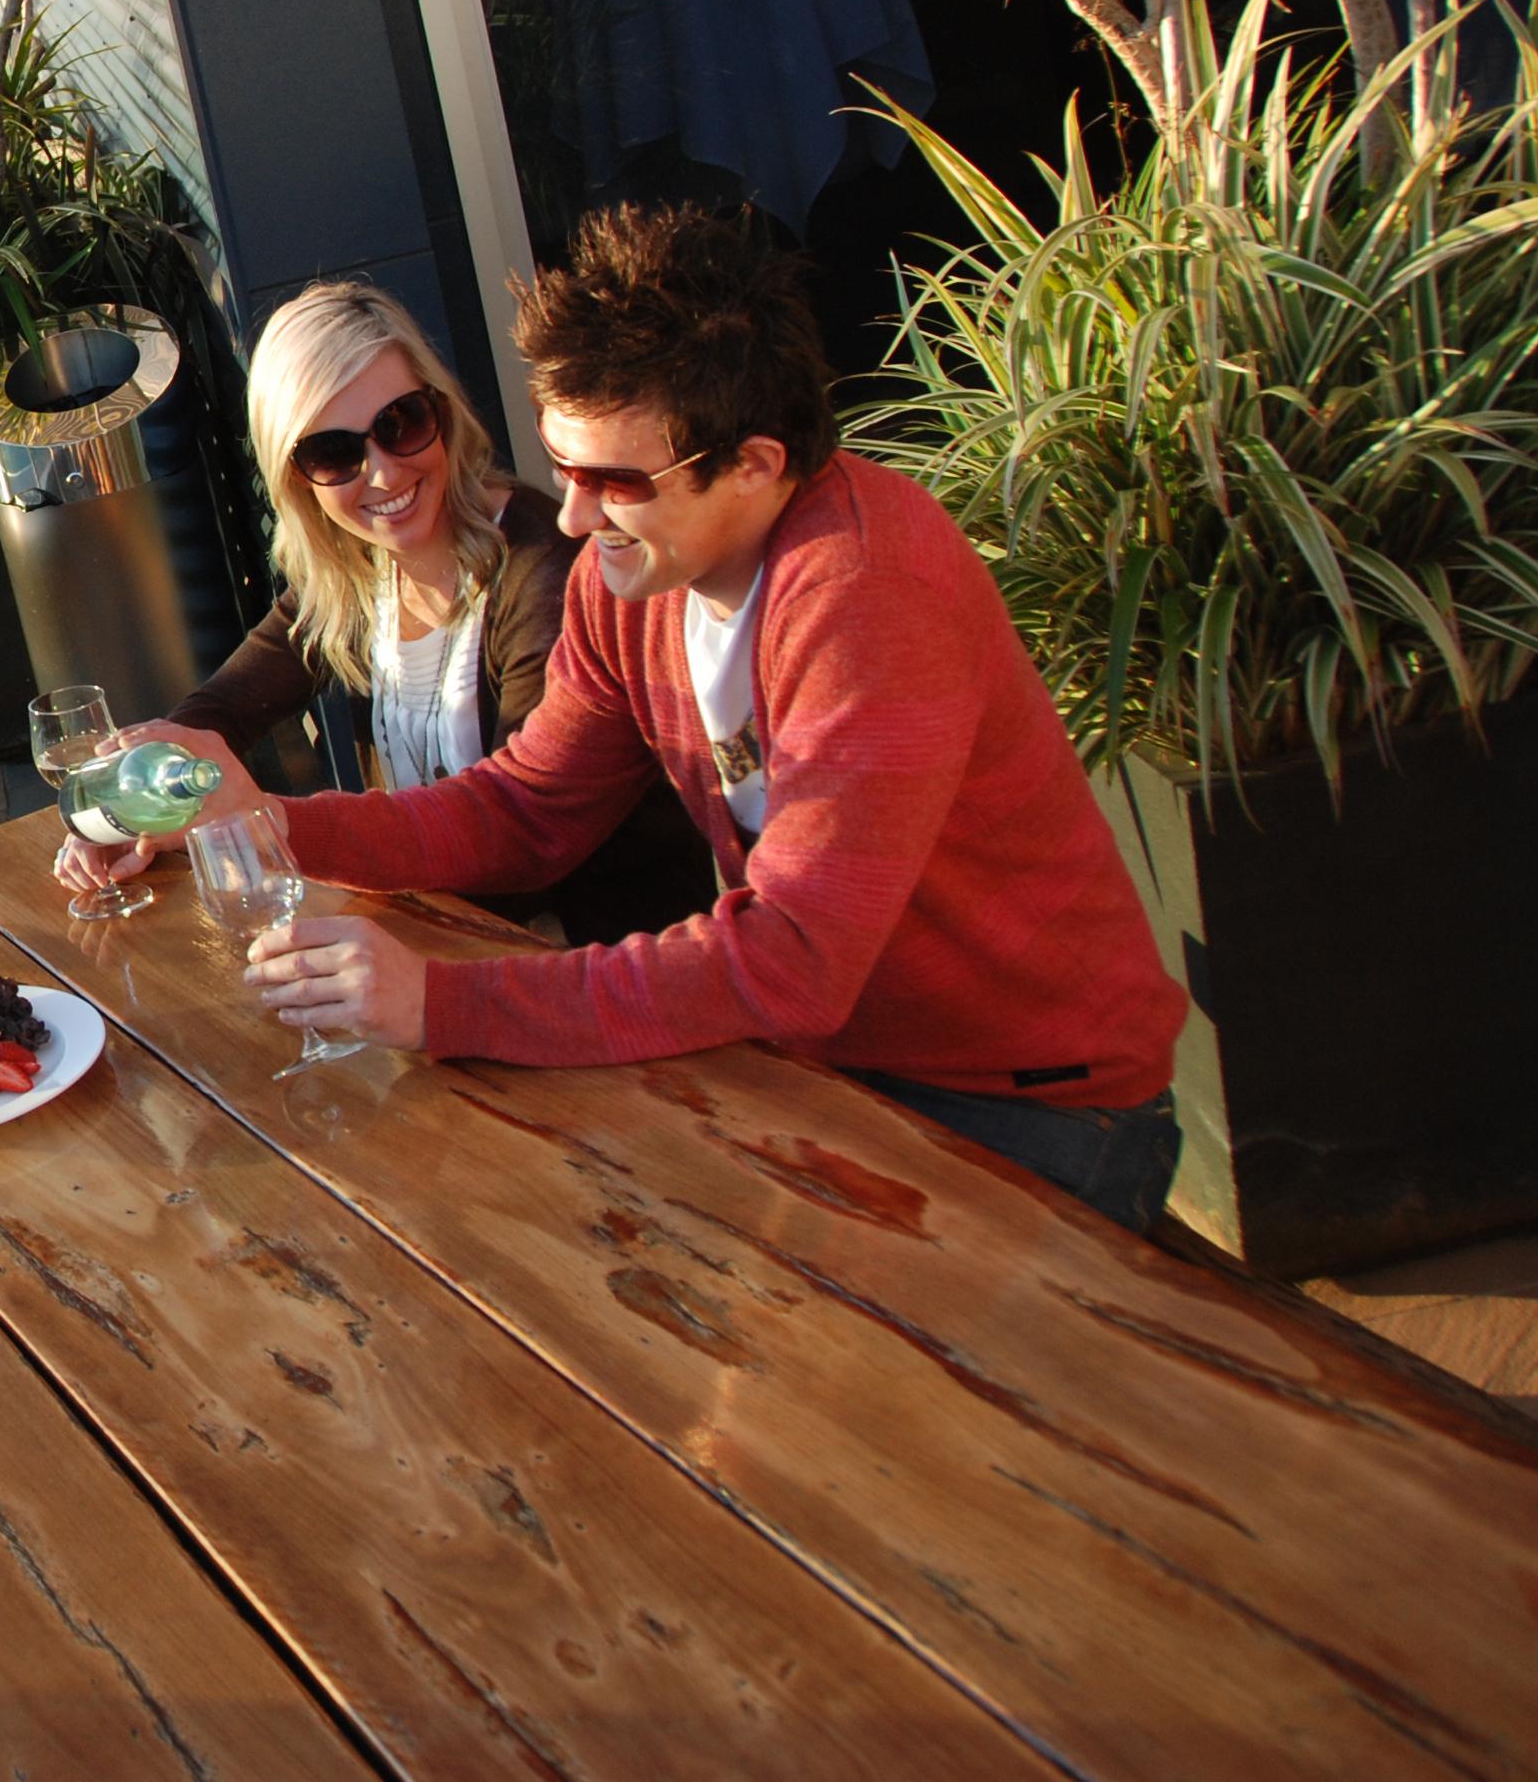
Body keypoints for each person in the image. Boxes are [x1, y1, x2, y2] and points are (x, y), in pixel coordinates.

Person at [210, 204, 1189, 1229]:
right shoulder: (625, 584)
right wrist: (263, 828)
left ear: (756, 463)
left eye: (615, 481)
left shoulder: (864, 594)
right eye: (563, 466)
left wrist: (445, 1004)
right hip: (835, 1067)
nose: (576, 516)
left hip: (1029, 1098)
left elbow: (793, 959)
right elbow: (524, 807)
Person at [56, 279, 706, 942]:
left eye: (401, 425)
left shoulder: (546, 571)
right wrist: (140, 810)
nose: (385, 474)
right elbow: (223, 711)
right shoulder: (357, 567)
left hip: (578, 961)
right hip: (430, 940)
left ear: (443, 412)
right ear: (296, 477)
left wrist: (269, 822)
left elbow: (523, 842)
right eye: (333, 454)